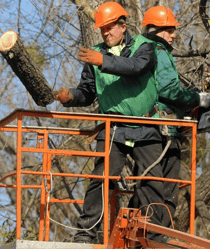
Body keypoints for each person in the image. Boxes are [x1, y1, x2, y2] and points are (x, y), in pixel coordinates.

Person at [52, 1, 167, 244]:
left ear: (123, 26)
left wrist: (102, 61)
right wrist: (71, 96)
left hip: (147, 127)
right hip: (113, 127)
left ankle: (156, 238)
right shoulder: (95, 54)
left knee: (154, 182)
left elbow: (136, 67)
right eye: (102, 29)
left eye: (110, 28)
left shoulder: (144, 47)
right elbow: (88, 92)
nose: (106, 33)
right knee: (101, 179)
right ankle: (86, 233)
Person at [140, 6, 210, 230]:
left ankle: (158, 228)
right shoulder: (158, 52)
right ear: (156, 31)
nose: (174, 35)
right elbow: (169, 90)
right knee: (166, 184)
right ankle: (158, 230)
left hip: (163, 128)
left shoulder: (152, 51)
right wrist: (197, 98)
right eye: (169, 30)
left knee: (162, 182)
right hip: (161, 128)